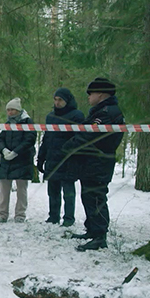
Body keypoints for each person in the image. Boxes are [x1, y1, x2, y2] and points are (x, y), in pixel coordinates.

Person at [62, 77, 125, 251]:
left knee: (96, 198)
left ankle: (99, 236)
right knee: (88, 197)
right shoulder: (100, 111)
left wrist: (68, 146)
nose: (89, 97)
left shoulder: (106, 113)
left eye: (91, 93)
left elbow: (90, 136)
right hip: (92, 161)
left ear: (101, 94)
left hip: (99, 161)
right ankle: (91, 229)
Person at [37, 88, 84, 227]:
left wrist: (69, 151)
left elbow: (80, 138)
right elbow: (46, 138)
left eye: (60, 100)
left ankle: (69, 218)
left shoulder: (77, 116)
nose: (57, 103)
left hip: (68, 160)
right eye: (55, 100)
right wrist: (41, 158)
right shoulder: (50, 117)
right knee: (53, 191)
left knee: (68, 192)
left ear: (67, 101)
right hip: (52, 159)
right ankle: (53, 216)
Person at [0, 98, 37, 223]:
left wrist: (16, 152)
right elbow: (0, 139)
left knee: (21, 189)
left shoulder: (28, 122)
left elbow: (29, 139)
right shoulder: (7, 123)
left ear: (18, 110)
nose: (10, 112)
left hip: (23, 160)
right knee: (4, 189)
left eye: (12, 109)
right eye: (8, 110)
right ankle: (2, 214)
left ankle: (20, 214)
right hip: (6, 161)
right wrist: (3, 150)